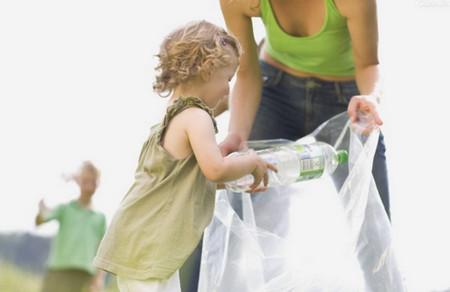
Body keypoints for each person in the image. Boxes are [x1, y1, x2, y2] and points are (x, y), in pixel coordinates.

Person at [93, 20, 276, 292]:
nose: (228, 89)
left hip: (145, 243)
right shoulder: (196, 116)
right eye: (227, 79)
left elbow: (196, 179)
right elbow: (214, 170)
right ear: (206, 69)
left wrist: (236, 175)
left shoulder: (177, 115)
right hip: (151, 246)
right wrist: (250, 161)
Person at [218, 0, 390, 217]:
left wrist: (371, 98)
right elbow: (246, 72)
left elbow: (368, 65)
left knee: (374, 219)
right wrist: (236, 134)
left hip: (346, 102)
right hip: (274, 90)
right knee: (240, 205)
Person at [36, 161, 106, 292]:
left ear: (98, 184)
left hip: (82, 275)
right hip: (57, 270)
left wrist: (98, 280)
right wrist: (41, 208)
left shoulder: (100, 218)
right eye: (86, 180)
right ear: (79, 181)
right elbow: (41, 220)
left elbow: (102, 252)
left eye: (93, 181)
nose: (89, 186)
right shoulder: (65, 209)